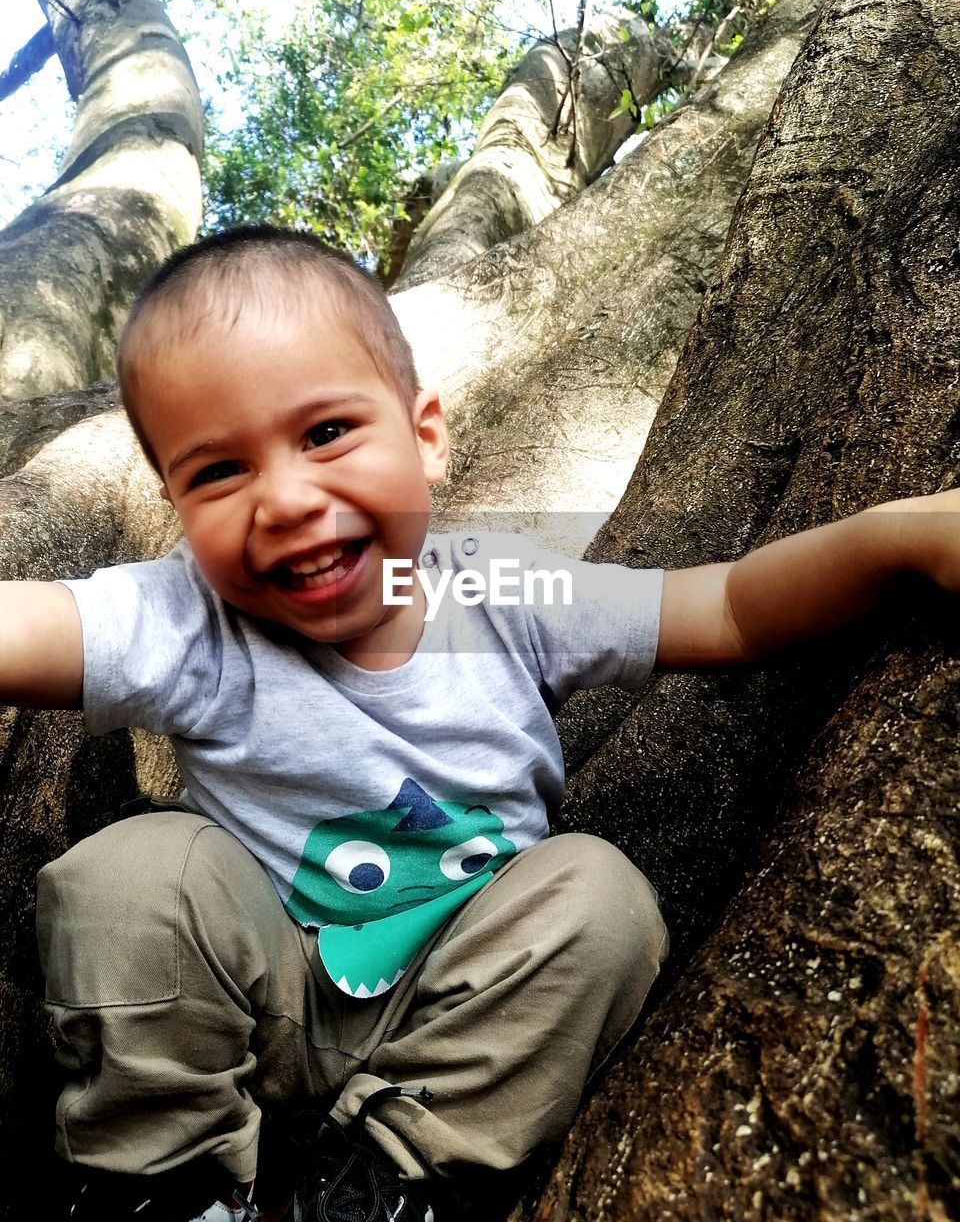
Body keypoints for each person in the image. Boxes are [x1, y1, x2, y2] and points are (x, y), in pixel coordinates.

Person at [2, 226, 957, 1222]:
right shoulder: (189, 614)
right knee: (133, 874)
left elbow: (727, 608)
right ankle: (165, 1180)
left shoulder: (501, 586)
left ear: (426, 435)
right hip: (265, 1004)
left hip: (464, 1020)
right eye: (217, 473)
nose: (284, 498)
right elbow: (29, 624)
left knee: (601, 894)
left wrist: (898, 537)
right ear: (176, 506)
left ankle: (391, 1185)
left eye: (326, 431)